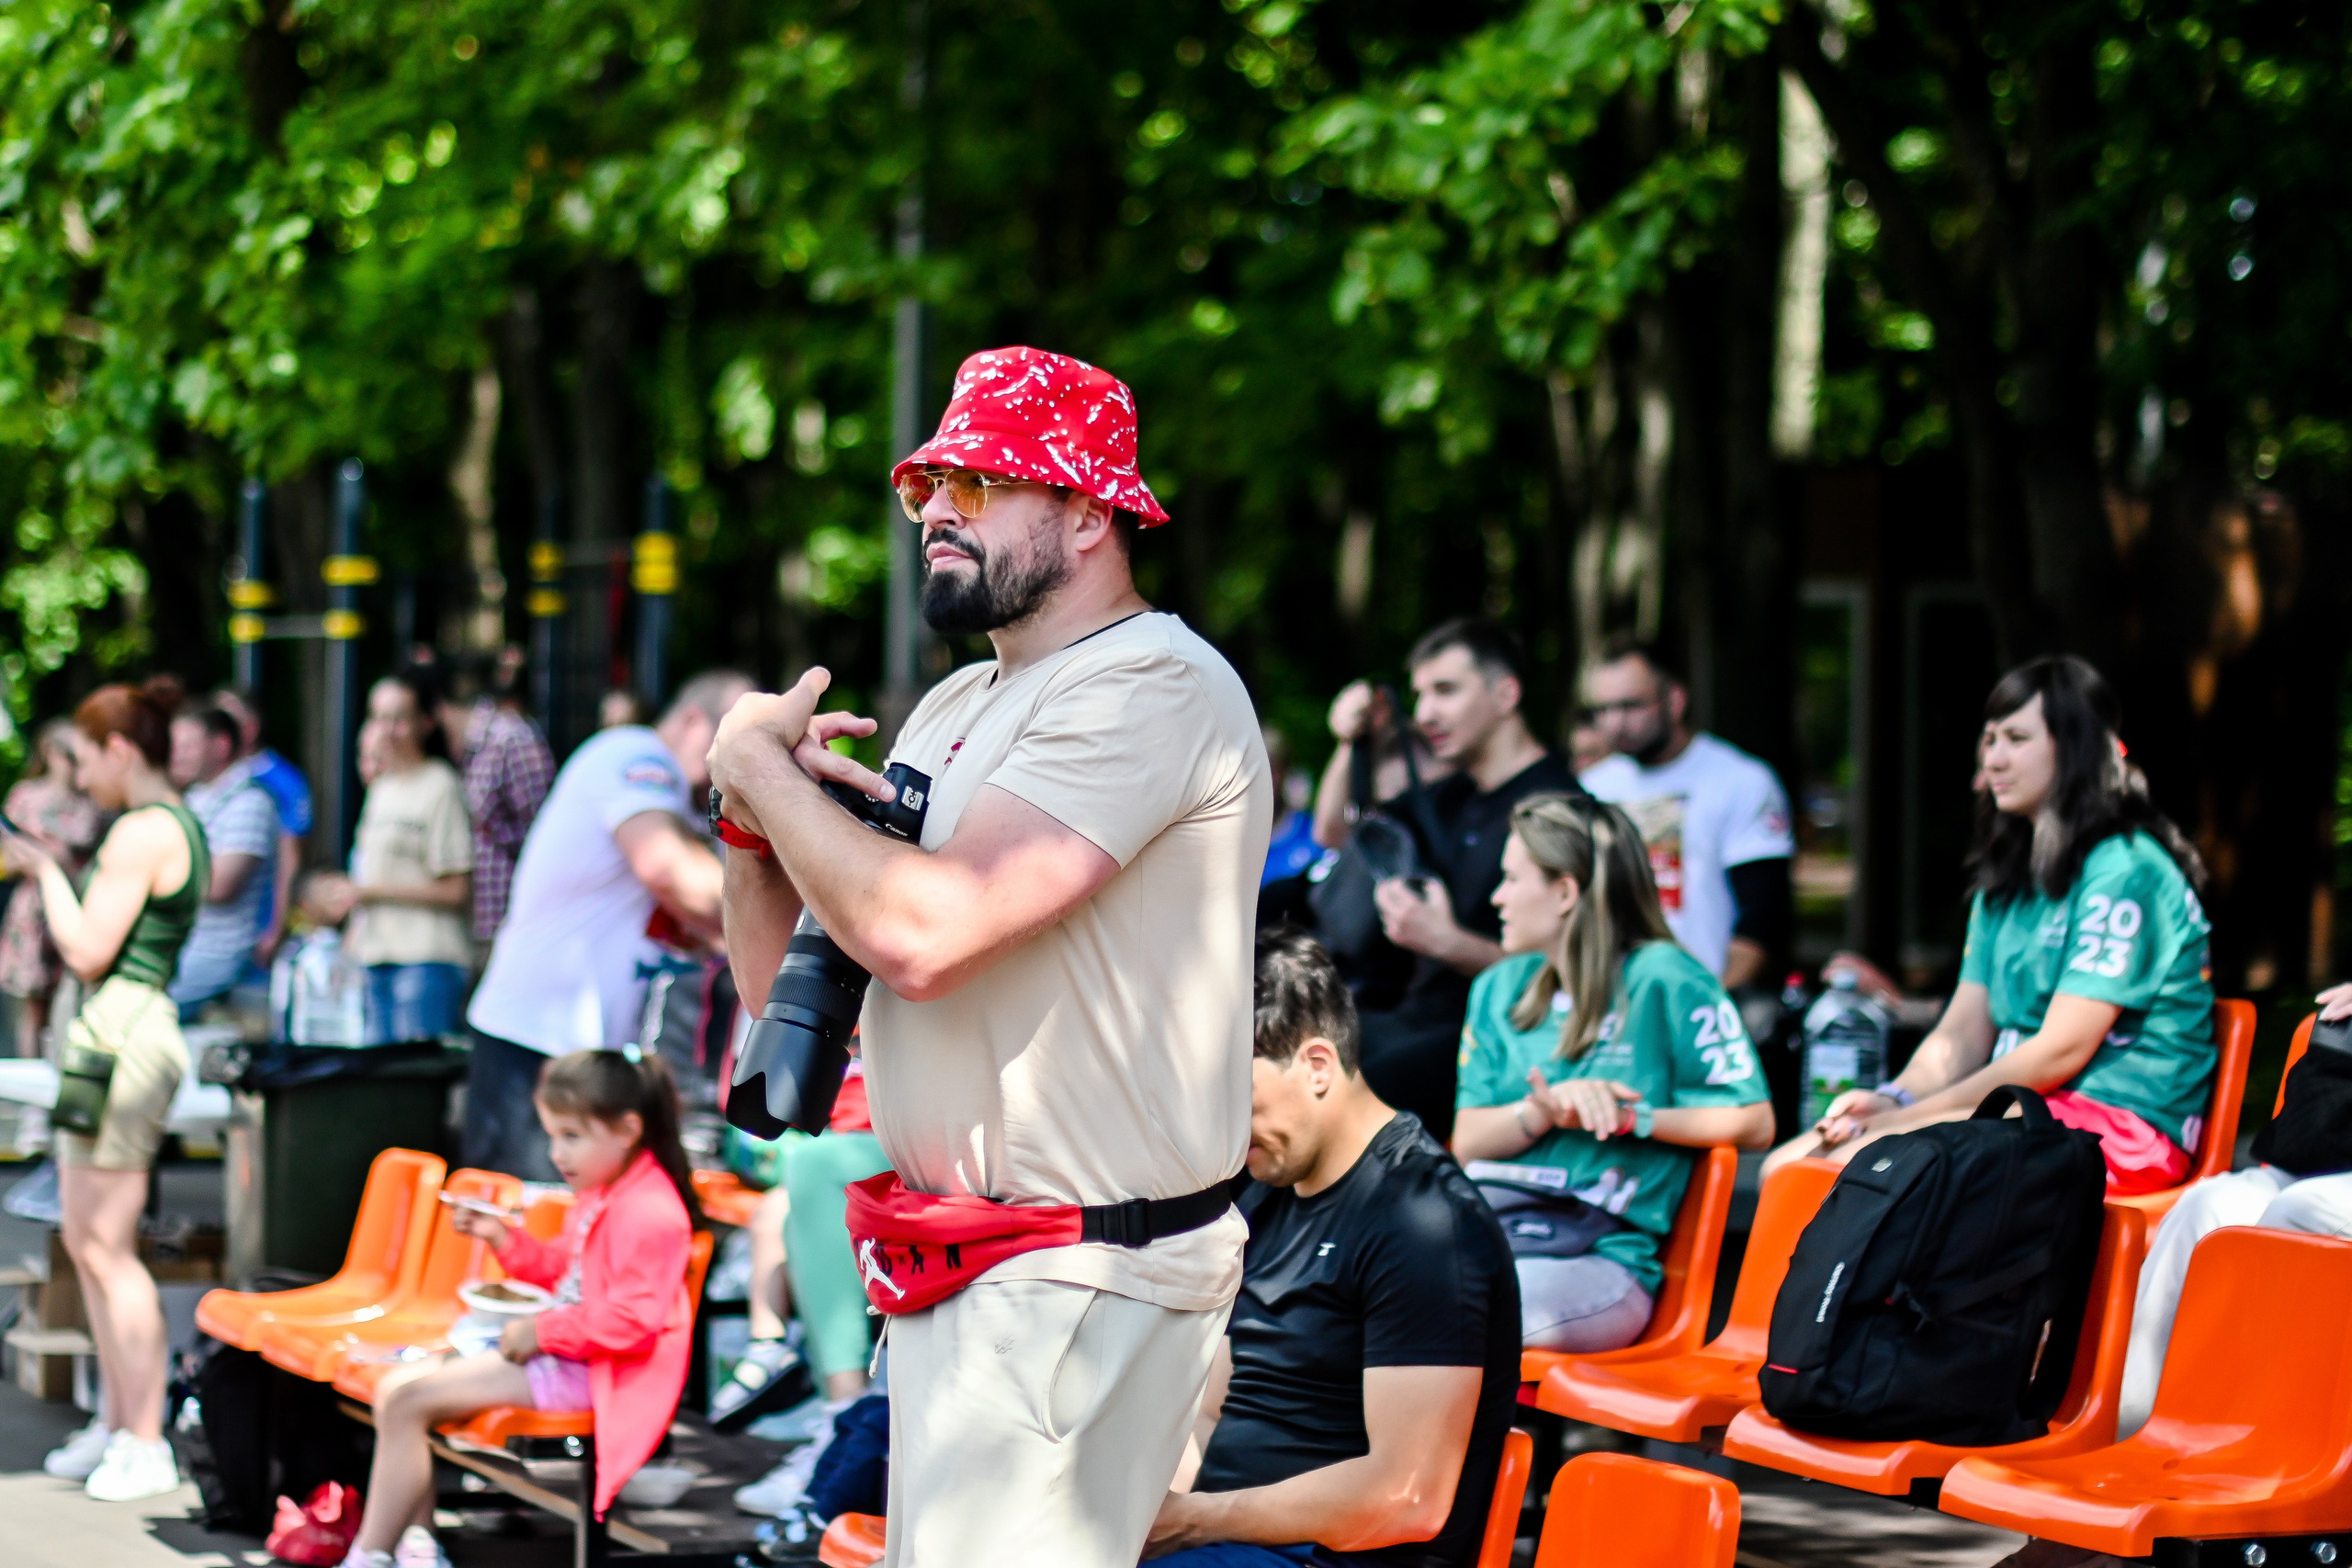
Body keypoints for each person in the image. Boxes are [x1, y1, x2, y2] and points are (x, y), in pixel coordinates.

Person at [707, 345, 1267, 1567]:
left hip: (1081, 1275)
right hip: (968, 1266)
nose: (936, 513)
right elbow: (783, 996)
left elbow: (923, 932)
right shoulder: (954, 706)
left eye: (979, 481)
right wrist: (760, 833)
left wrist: (754, 764)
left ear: (1083, 509)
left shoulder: (1152, 683)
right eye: (927, 488)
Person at [1764, 656, 2215, 1193]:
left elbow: (2062, 1049)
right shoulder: (2007, 876)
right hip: (2024, 1111)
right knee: (1787, 1172)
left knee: (1866, 1170)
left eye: (2016, 738)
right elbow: (1962, 1032)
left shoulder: (2127, 871)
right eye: (1990, 739)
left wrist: (1907, 1121)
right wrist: (1895, 1098)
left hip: (2120, 1127)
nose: (1993, 759)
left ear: (2076, 748)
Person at [1145, 929, 1519, 1568]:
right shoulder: (1268, 1192)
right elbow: (1208, 1412)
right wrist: (1141, 1509)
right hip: (1224, 1543)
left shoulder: (1428, 1224)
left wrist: (1194, 1521)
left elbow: (1408, 1495)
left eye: (1234, 1097)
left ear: (1316, 1065)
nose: (1221, 1130)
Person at [343, 1049, 704, 1568]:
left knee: (405, 1403)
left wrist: (542, 1332)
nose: (557, 1154)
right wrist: (502, 1238)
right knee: (393, 1392)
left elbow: (633, 1322)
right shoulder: (610, 1189)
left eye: (571, 1137)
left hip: (595, 1371)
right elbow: (564, 1269)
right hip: (571, 1355)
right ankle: (414, 1545)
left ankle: (371, 1556)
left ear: (628, 1129)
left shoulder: (649, 1210)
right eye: (553, 1135)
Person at [1452, 794, 1774, 1350]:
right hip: (1495, 1239)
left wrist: (1632, 1117)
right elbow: (1468, 1141)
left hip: (1604, 1262)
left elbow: (1754, 1120)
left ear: (1565, 891)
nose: (1496, 898)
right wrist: (1544, 1110)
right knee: (1366, 1302)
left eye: (1510, 879)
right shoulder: (1498, 988)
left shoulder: (1665, 976)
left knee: (1451, 1323)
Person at [6, 677, 208, 1502]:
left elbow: (88, 949)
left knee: (109, 1249)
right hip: (113, 1040)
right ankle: (119, 1422)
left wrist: (45, 869)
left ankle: (145, 1434)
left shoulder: (144, 830)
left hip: (120, 1041)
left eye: (87, 760)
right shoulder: (167, 824)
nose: (81, 778)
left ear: (122, 750)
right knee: (90, 1246)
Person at [464, 672, 741, 1179]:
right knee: (525, 1221)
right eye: (737, 745)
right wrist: (788, 922)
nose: (735, 772)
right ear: (695, 723)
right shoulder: (636, 757)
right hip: (538, 1045)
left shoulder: (660, 790)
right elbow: (672, 873)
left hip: (564, 1051)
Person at [1353, 620, 1582, 1143]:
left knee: (1350, 1093)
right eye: (1419, 695)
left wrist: (1447, 942)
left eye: (1446, 691)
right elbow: (1338, 830)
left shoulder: (1560, 809)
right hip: (1417, 1016)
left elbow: (1577, 975)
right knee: (1277, 1054)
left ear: (1506, 695)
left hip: (1506, 1039)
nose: (1425, 713)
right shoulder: (1456, 795)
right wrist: (1353, 743)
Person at [1577, 638, 1794, 987]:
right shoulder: (1591, 787)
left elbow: (1761, 920)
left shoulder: (1741, 781)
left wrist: (1711, 1004)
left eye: (1631, 706)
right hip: (1609, 1005)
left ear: (1675, 701)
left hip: (1704, 998)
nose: (1615, 723)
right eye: (1602, 710)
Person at [310, 670, 475, 1042]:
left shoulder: (441, 786)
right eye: (378, 717)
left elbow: (456, 891)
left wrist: (373, 891)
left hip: (426, 959)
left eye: (399, 718)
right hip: (375, 959)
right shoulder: (381, 789)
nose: (387, 729)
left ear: (425, 723)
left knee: (415, 1082)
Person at [164, 703, 279, 1019]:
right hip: (187, 949)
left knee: (144, 1006)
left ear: (221, 745)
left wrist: (155, 874)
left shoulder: (250, 802)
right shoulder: (193, 798)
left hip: (220, 956)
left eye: (187, 745)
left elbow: (221, 887)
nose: (177, 754)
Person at [0, 719, 106, 1058]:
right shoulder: (25, 796)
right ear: (50, 754)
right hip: (32, 909)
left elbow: (88, 855)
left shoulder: (91, 801)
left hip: (74, 905)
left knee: (67, 1002)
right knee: (30, 1007)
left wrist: (51, 855)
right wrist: (37, 857)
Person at [436, 665, 555, 944]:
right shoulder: (454, 756)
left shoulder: (512, 740)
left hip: (509, 927)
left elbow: (544, 836)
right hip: (463, 930)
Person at [211, 685, 311, 964]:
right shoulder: (211, 776)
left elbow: (291, 857)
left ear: (250, 728)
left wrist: (276, 928)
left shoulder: (284, 780)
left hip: (257, 930)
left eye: (225, 720)